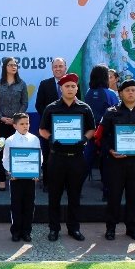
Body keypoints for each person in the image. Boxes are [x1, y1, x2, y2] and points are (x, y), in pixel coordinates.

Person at [39, 73, 95, 242]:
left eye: (73, 86)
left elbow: (92, 129)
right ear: (61, 88)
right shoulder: (51, 108)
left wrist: (84, 138)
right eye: (67, 86)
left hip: (76, 158)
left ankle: (74, 228)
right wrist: (52, 138)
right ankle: (54, 229)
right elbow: (42, 130)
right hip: (57, 157)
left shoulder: (84, 108)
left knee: (74, 195)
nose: (70, 89)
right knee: (54, 195)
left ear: (77, 88)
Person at [101, 79, 135, 241]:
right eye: (127, 90)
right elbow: (102, 137)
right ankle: (111, 228)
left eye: (133, 90)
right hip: (116, 162)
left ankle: (131, 228)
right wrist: (110, 150)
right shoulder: (111, 112)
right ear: (120, 93)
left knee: (134, 196)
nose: (131, 93)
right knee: (114, 196)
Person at [35, 57, 81, 192]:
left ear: (65, 68)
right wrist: (51, 119)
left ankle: (67, 183)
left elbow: (79, 104)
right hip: (49, 128)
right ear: (52, 69)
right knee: (48, 156)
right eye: (55, 66)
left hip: (69, 128)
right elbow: (39, 105)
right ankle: (47, 183)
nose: (58, 69)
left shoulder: (73, 84)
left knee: (67, 156)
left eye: (60, 66)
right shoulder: (45, 84)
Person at [2, 112, 41, 242]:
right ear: (15, 125)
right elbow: (5, 159)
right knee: (16, 205)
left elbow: (39, 157)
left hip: (30, 178)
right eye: (22, 124)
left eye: (27, 123)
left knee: (29, 205)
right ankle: (16, 231)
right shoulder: (10, 140)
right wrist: (10, 172)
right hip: (16, 179)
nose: (25, 126)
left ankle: (26, 231)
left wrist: (36, 172)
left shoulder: (34, 139)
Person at [0, 57, 28, 191]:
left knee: (16, 150)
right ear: (5, 67)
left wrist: (15, 119)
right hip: (0, 122)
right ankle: (2, 178)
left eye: (15, 65)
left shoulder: (22, 84)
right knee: (1, 151)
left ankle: (15, 176)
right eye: (11, 65)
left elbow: (24, 103)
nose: (14, 67)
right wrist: (2, 117)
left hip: (16, 124)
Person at [83, 64, 119, 197]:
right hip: (105, 132)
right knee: (106, 161)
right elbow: (117, 112)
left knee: (87, 159)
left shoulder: (88, 93)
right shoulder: (110, 93)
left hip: (90, 131)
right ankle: (106, 190)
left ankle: (76, 188)